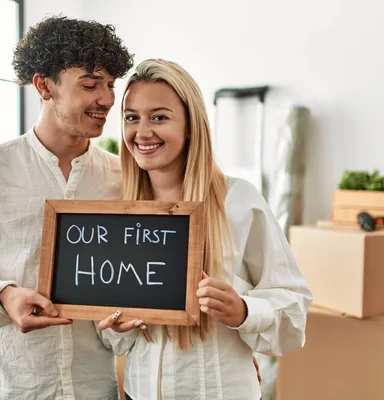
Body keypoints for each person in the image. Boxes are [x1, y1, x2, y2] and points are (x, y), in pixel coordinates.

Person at [0, 16, 137, 399]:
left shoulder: (121, 177)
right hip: (11, 386)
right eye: (90, 85)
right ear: (44, 86)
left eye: (111, 85)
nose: (108, 99)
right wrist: (3, 295)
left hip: (94, 387)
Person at [98, 59, 313, 400]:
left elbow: (294, 309)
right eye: (131, 117)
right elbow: (116, 337)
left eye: (160, 116)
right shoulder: (118, 212)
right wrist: (117, 325)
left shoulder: (238, 200)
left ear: (189, 125)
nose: (142, 132)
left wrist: (243, 310)